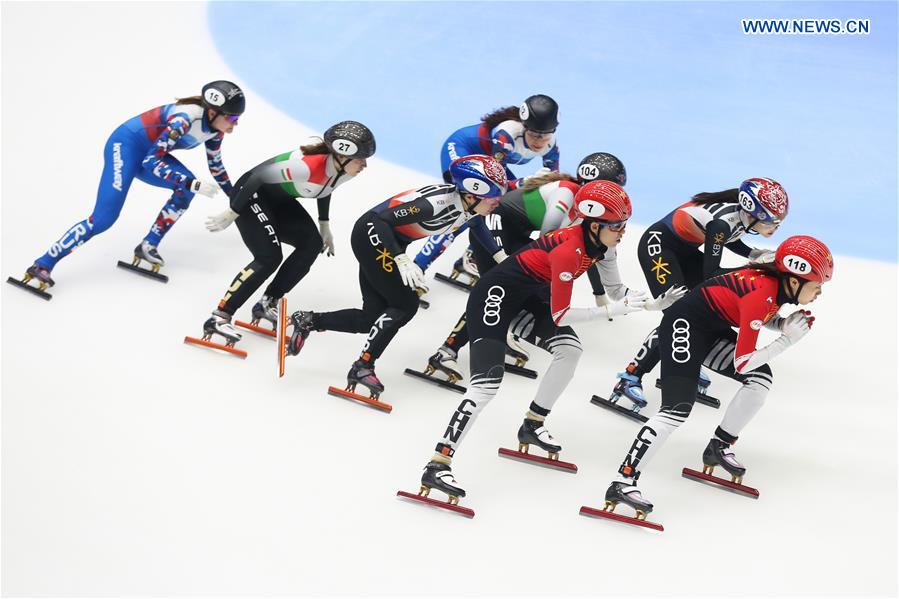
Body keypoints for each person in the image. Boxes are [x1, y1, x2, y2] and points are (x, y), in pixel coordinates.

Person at [415, 181, 686, 504]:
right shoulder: (568, 250)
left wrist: (651, 304)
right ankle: (438, 462)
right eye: (617, 225)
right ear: (595, 224)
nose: (623, 231)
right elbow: (562, 314)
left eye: (624, 224)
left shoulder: (604, 246)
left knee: (569, 351)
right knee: (486, 385)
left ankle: (533, 424)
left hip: (527, 298)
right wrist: (613, 311)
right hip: (495, 299)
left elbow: (617, 292)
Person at [602, 235, 833, 520]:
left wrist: (782, 323)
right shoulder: (762, 291)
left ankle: (718, 447)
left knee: (760, 380)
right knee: (676, 410)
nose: (820, 292)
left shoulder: (774, 288)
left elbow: (759, 316)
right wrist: (786, 340)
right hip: (683, 327)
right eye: (818, 285)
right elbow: (744, 361)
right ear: (795, 281)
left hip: (711, 328)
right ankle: (622, 481)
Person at [285, 155, 507, 399]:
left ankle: (308, 320)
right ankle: (363, 366)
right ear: (472, 195)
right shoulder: (435, 204)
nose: (497, 203)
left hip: (385, 241)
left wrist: (500, 257)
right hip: (373, 235)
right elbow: (381, 221)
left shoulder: (469, 206)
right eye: (493, 198)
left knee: (369, 319)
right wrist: (401, 259)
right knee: (406, 304)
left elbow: (477, 225)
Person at [421, 152, 629, 385]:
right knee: (501, 290)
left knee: (529, 288)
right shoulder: (567, 192)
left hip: (514, 232)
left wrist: (599, 293)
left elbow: (593, 251)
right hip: (495, 224)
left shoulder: (588, 210)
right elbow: (548, 235)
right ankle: (447, 351)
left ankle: (501, 329)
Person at [19, 81, 244, 289]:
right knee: (104, 218)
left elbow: (216, 166)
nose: (235, 124)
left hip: (150, 151)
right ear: (213, 112)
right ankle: (43, 264)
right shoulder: (184, 119)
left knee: (185, 189)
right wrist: (191, 182)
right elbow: (151, 161)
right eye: (232, 118)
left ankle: (148, 246)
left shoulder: (217, 129)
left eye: (238, 118)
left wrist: (236, 199)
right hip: (125, 146)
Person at [608, 177, 790, 412]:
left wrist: (752, 253)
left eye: (779, 222)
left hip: (681, 250)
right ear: (753, 212)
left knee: (700, 309)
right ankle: (631, 376)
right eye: (772, 221)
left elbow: (728, 239)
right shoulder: (722, 222)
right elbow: (712, 273)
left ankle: (681, 359)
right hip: (659, 249)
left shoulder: (738, 217)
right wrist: (756, 267)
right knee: (679, 314)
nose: (775, 227)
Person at [195, 121, 375, 347]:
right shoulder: (306, 166)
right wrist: (233, 211)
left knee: (311, 244)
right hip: (250, 194)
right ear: (342, 156)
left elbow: (327, 187)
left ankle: (267, 303)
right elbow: (258, 177)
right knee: (268, 257)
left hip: (278, 200)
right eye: (361, 160)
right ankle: (219, 317)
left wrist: (324, 224)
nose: (364, 165)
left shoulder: (344, 170)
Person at [416, 94, 563, 283]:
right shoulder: (507, 134)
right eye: (534, 134)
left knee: (504, 209)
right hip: (462, 151)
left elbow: (551, 184)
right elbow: (495, 184)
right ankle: (418, 266)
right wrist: (525, 182)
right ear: (524, 126)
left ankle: (473, 256)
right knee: (465, 211)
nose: (539, 141)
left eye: (546, 135)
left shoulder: (551, 144)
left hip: (486, 163)